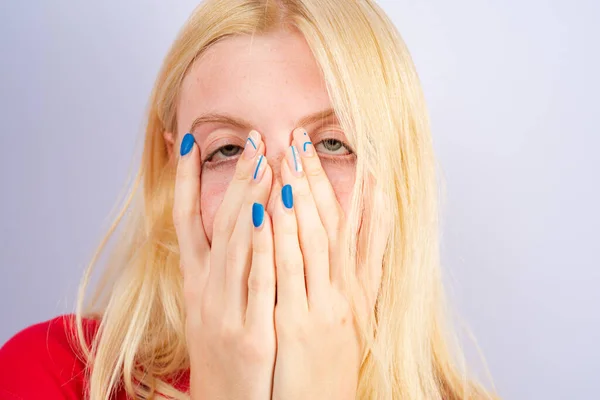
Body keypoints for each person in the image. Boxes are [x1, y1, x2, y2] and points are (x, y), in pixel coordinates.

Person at [0, 0, 497, 399]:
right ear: (176, 173)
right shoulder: (47, 377)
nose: (282, 199)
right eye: (229, 149)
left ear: (397, 175)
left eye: (331, 145)